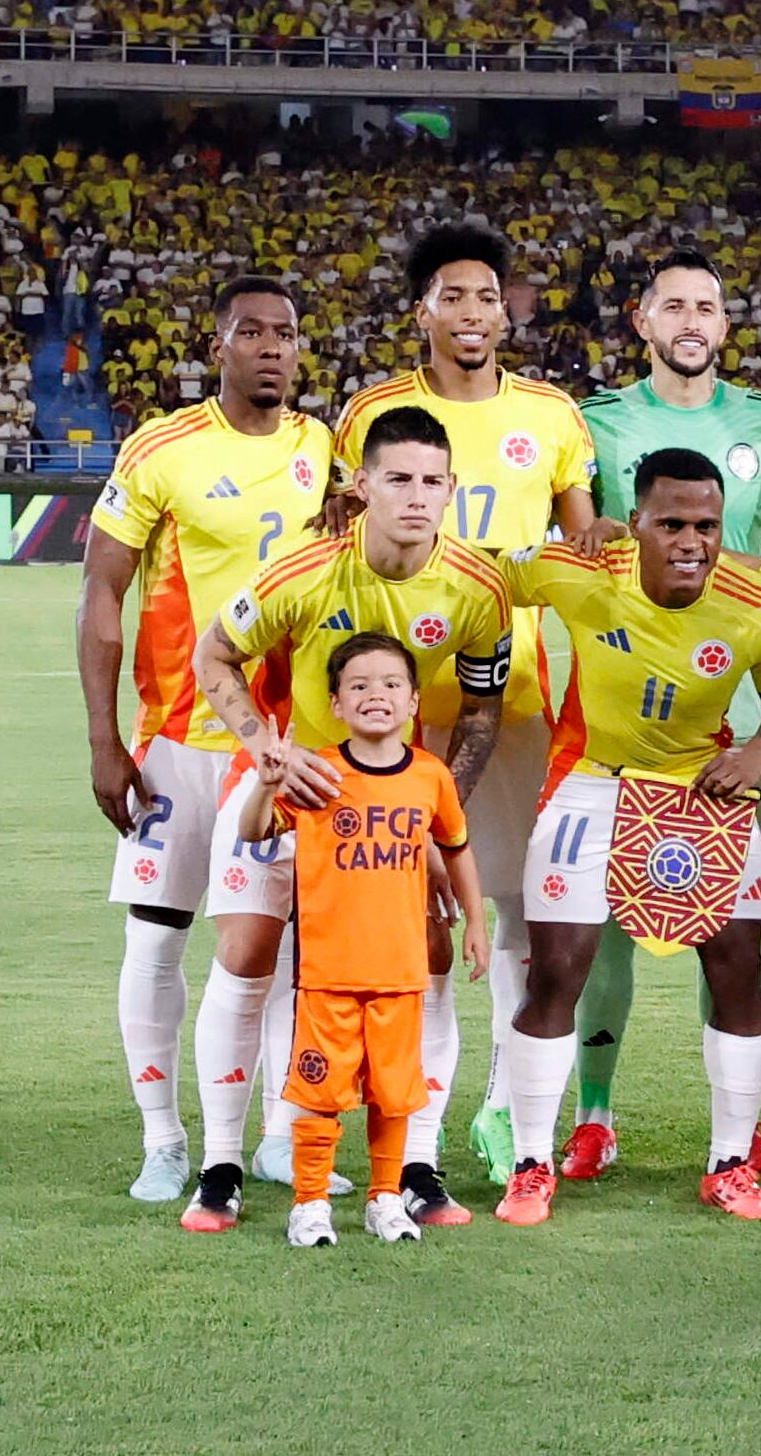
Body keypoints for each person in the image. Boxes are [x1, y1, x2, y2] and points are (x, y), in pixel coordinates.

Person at [189, 404, 512, 1232]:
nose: (415, 496)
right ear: (360, 484)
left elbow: (480, 711)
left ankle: (417, 1165)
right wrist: (267, 748)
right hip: (293, 788)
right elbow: (212, 654)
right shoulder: (304, 570)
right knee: (247, 947)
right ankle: (220, 1164)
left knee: (428, 957)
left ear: (452, 489)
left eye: (431, 481)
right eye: (397, 478)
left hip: (398, 801)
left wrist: (437, 826)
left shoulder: (478, 591)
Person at [488, 448, 761, 1225]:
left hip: (703, 789)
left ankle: (730, 1163)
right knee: (558, 968)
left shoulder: (756, 604)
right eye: (670, 523)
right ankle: (532, 1162)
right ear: (634, 522)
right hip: (595, 781)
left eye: (705, 524)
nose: (690, 541)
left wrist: (753, 756)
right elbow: (481, 571)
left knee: (737, 962)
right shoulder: (583, 569)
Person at [333, 223, 596, 1185]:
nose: (476, 313)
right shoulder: (372, 411)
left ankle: (501, 1106)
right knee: (410, 922)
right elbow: (334, 542)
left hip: (510, 702)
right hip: (381, 713)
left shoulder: (553, 417)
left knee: (521, 921)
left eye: (490, 296)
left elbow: (580, 557)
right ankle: (404, 1120)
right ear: (424, 310)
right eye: (455, 296)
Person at [74, 275, 331, 1205]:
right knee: (157, 937)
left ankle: (276, 1136)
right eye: (251, 331)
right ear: (216, 344)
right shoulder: (162, 447)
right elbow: (101, 588)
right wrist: (106, 739)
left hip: (291, 741)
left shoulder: (325, 448)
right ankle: (163, 1140)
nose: (271, 347)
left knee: (283, 947)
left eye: (286, 334)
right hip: (181, 738)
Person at [559, 247, 761, 1182]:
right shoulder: (597, 423)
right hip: (617, 715)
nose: (692, 320)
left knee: (730, 934)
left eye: (708, 306)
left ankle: (733, 1134)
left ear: (726, 327)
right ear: (641, 320)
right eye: (674, 305)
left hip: (732, 722)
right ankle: (594, 1114)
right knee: (600, 924)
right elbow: (577, 540)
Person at [245, 632, 487, 1248]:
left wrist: (476, 925)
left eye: (390, 684)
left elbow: (456, 848)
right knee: (321, 1091)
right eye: (358, 685)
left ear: (412, 703)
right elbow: (254, 833)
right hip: (327, 971)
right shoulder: (318, 772)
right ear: (335, 703)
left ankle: (385, 1199)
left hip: (401, 970)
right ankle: (310, 1203)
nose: (374, 694)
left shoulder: (430, 776)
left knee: (394, 1094)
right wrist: (266, 782)